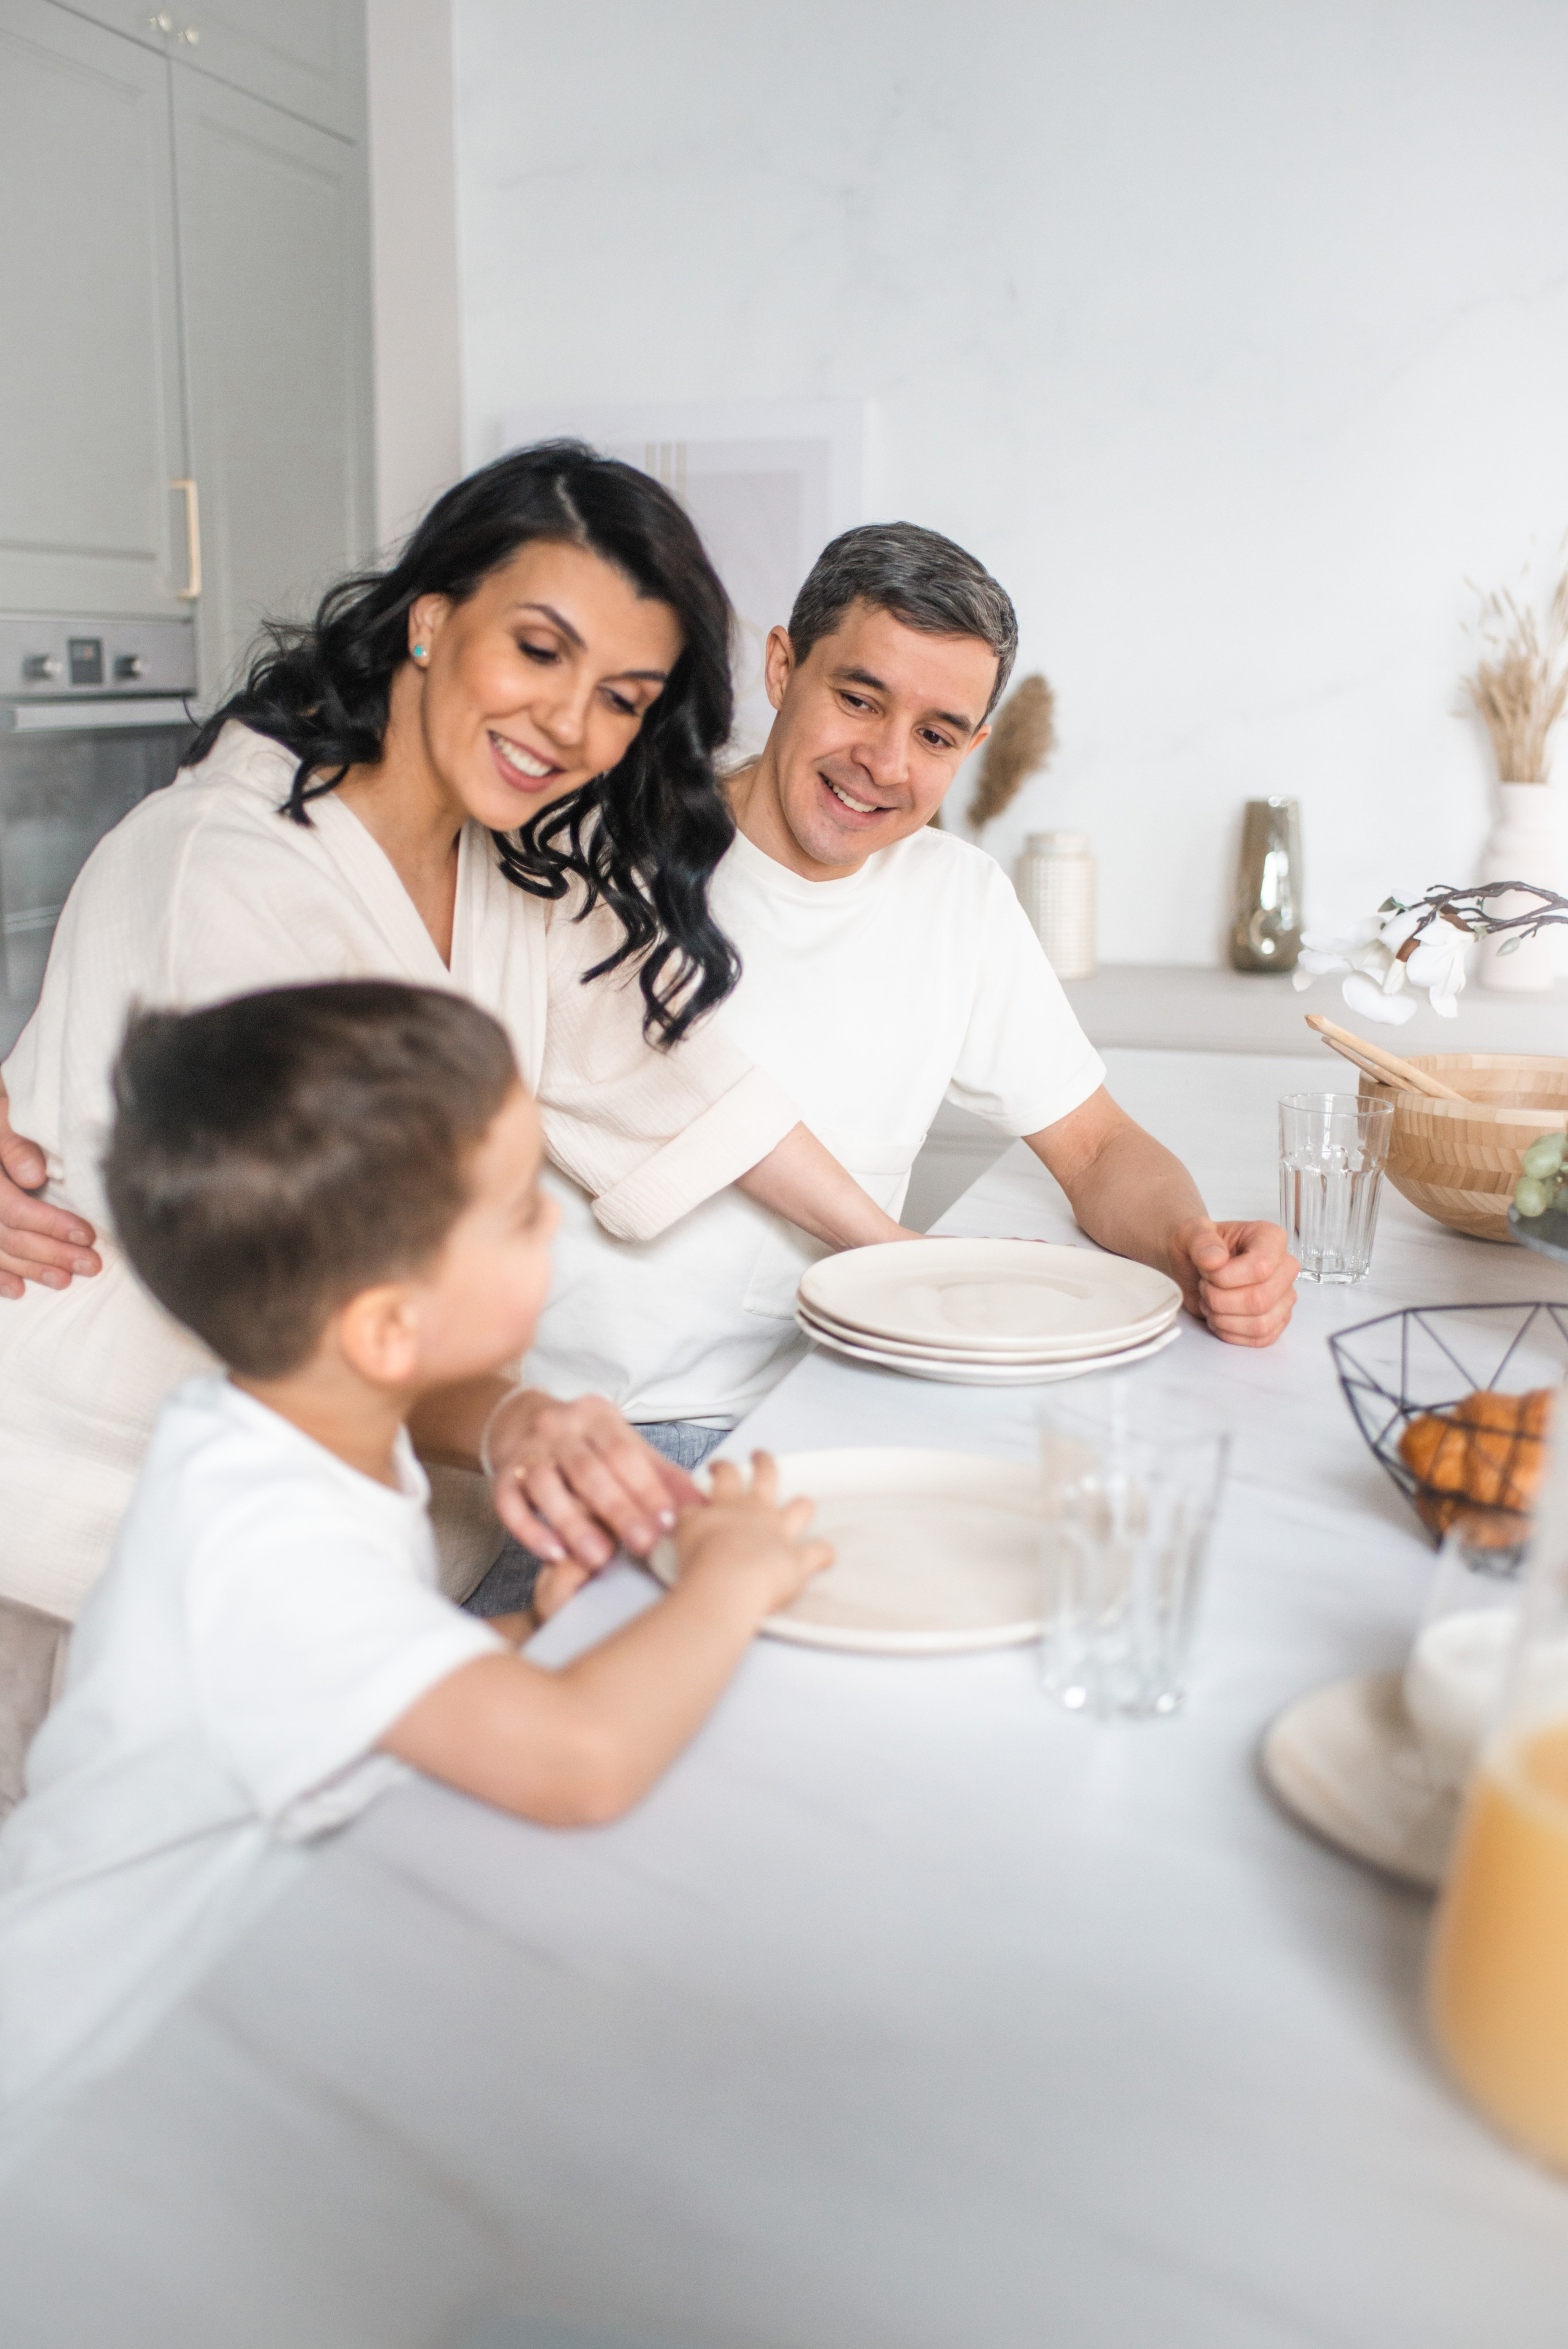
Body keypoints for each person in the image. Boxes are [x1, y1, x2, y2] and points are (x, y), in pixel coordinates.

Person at [0, 444, 903, 1625]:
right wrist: (513, 1420)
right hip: (101, 1522)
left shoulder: (505, 874)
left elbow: (678, 1090)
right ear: (430, 619)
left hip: (349, 1524)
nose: (571, 725)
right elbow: (323, 1299)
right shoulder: (228, 871)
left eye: (624, 700)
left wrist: (905, 1267)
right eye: (539, 650)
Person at [0, 980, 829, 2138]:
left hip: (192, 2016)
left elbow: (347, 1689)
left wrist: (531, 1636)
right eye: (518, 1210)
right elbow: (580, 1764)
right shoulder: (268, 1543)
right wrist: (736, 1577)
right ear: (390, 1329)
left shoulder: (278, 1439)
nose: (555, 1224)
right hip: (70, 2087)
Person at [519, 522, 1298, 1462]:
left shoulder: (958, 899)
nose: (885, 763)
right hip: (601, 1422)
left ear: (973, 744)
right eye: (858, 698)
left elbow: (1096, 1148)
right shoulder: (607, 857)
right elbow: (705, 1116)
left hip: (830, 1401)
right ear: (780, 668)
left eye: (933, 735)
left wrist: (1194, 1248)